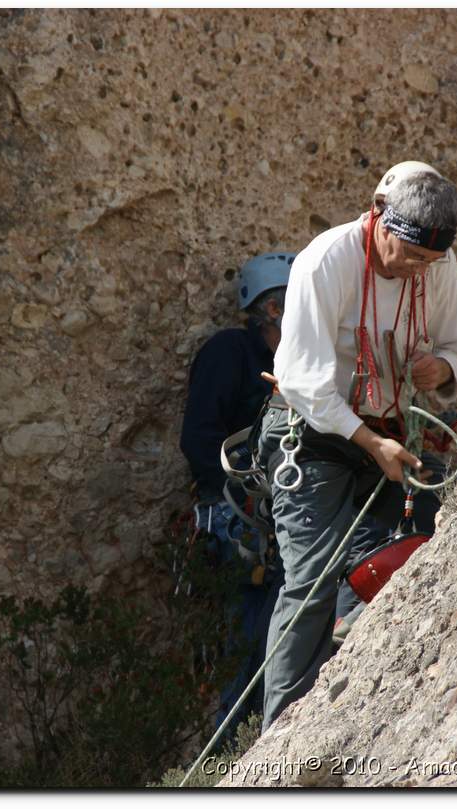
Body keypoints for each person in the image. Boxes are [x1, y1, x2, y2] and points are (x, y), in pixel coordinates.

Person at [257, 162, 457, 730]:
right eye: (407, 253)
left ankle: (372, 714)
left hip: (391, 431)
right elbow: (303, 381)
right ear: (378, 217)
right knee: (311, 581)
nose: (414, 269)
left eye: (427, 261)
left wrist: (442, 368)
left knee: (409, 560)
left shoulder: (438, 265)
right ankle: (278, 741)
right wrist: (370, 440)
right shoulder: (327, 261)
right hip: (312, 433)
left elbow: (456, 348)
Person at [179, 251, 295, 732]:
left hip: (276, 521)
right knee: (239, 653)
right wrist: (241, 487)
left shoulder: (291, 363)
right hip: (235, 522)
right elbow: (199, 439)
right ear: (272, 309)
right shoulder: (231, 352)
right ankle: (228, 760)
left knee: (271, 650)